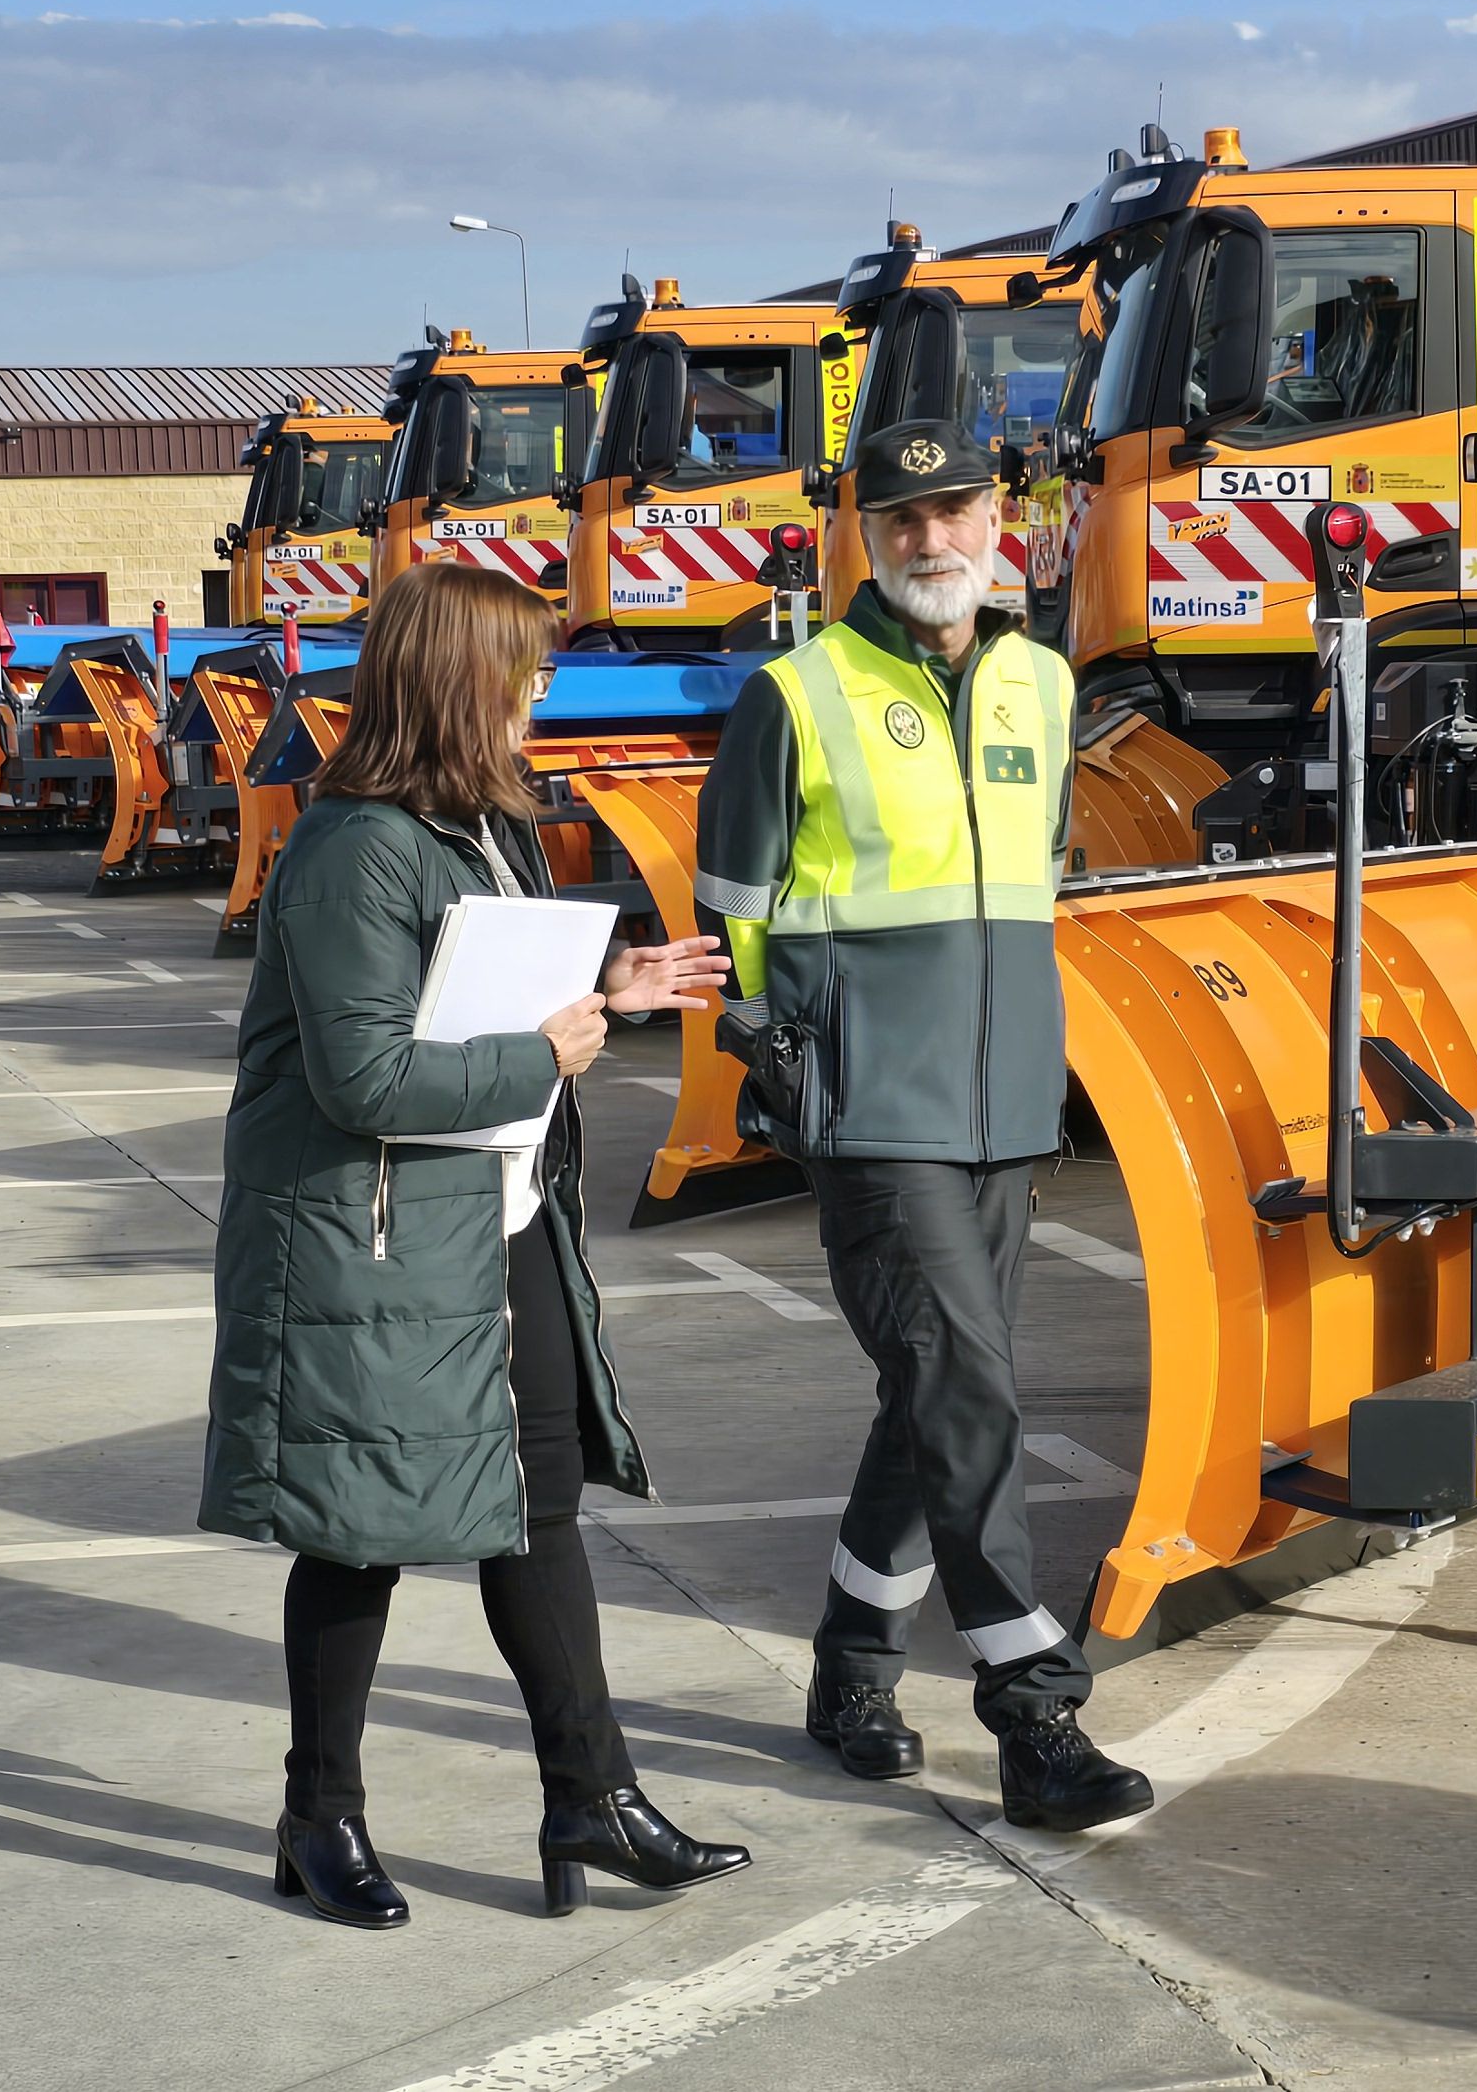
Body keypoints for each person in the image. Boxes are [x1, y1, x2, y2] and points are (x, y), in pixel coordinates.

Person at [199, 560, 750, 1927]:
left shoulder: (475, 827)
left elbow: (476, 997)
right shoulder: (352, 851)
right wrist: (542, 1050)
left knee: (537, 1506)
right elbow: (367, 1083)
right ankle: (316, 1817)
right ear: (457, 681)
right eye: (525, 670)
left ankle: (592, 1796)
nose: (542, 695)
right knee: (356, 1533)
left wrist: (605, 987)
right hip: (369, 1245)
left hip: (493, 1221)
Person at [692, 419, 1158, 1832]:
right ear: (866, 537)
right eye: (900, 520)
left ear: (997, 514)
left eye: (952, 510)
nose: (930, 540)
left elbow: (1038, 872)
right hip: (870, 1108)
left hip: (1008, 1100)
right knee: (967, 1384)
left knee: (939, 1394)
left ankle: (850, 1665)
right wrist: (776, 1056)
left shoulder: (1043, 682)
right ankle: (1033, 1710)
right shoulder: (798, 691)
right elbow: (734, 903)